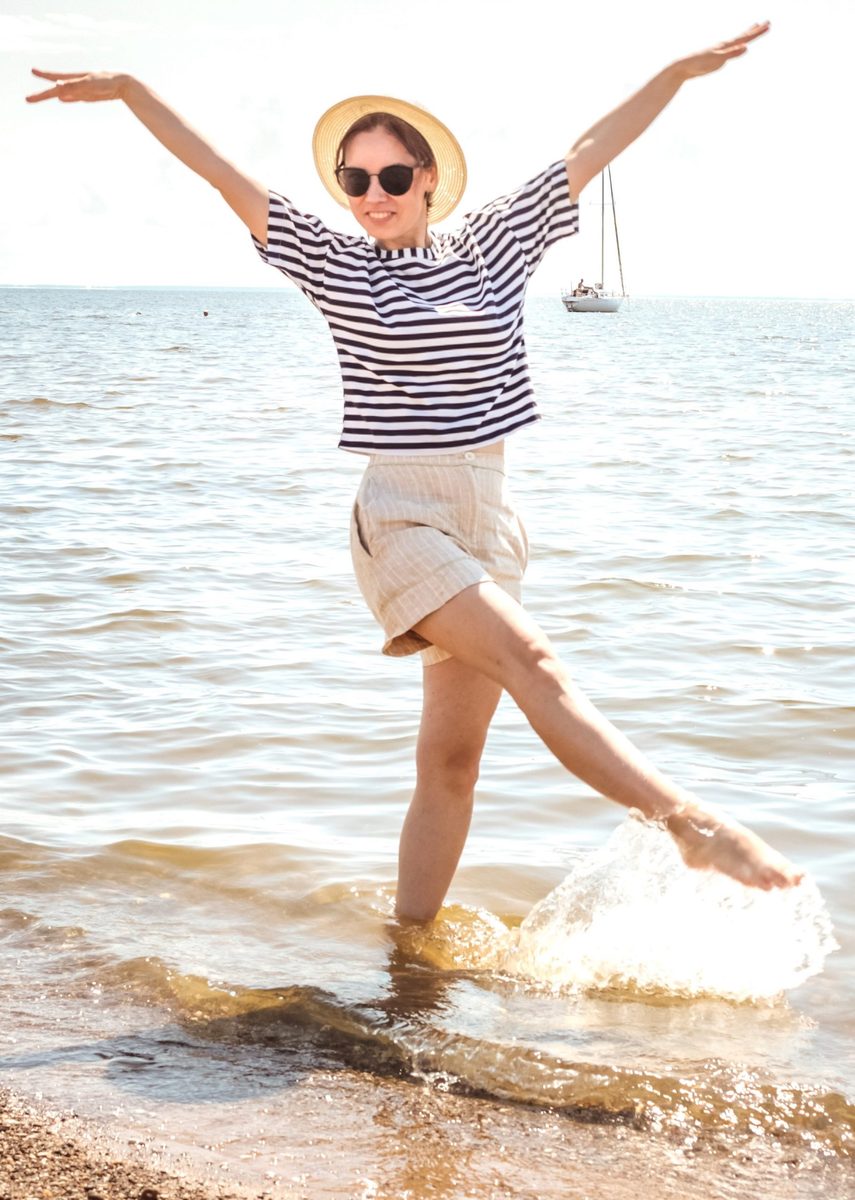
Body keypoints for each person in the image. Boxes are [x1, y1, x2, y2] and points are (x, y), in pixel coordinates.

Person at [26, 21, 803, 923]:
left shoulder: (493, 245)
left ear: (428, 178)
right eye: (354, 180)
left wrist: (673, 72)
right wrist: (132, 90)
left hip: (488, 513)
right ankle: (690, 825)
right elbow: (223, 174)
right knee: (534, 660)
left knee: (450, 763)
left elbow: (589, 148)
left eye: (393, 176)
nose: (373, 194)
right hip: (400, 515)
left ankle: (408, 954)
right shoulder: (337, 263)